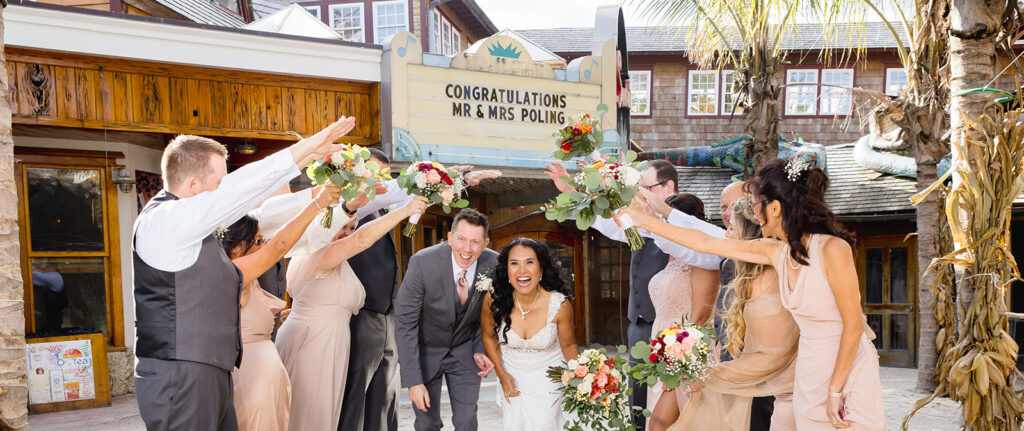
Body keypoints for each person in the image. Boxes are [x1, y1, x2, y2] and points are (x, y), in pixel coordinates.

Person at [619, 159, 885, 430]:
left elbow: (852, 326)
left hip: (846, 367)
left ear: (775, 208)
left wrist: (836, 390)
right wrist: (645, 221)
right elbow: (706, 243)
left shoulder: (833, 248)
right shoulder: (777, 252)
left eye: (757, 204)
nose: (754, 214)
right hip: (809, 368)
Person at [133, 117, 356, 431]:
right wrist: (305, 149)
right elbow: (243, 195)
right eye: (220, 182)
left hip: (211, 371)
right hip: (180, 376)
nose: (227, 192)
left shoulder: (196, 229)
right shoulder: (165, 220)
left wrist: (314, 173)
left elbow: (268, 221)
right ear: (194, 185)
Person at [545, 159, 723, 431]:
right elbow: (611, 225)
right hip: (644, 331)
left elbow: (702, 308)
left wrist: (679, 349)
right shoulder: (647, 225)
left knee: (678, 416)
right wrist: (574, 191)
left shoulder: (694, 240)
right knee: (640, 406)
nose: (639, 192)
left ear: (667, 186)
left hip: (681, 341)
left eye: (645, 186)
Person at [338, 151, 502, 431]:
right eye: (372, 172)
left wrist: (456, 183)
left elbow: (493, 314)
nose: (379, 180)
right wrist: (456, 177)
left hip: (387, 316)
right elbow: (399, 190)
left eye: (383, 174)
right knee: (359, 395)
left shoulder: (490, 262)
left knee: (384, 395)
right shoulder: (350, 205)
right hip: (363, 316)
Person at [274, 195, 429, 431]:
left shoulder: (336, 260)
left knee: (322, 415)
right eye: (341, 227)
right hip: (315, 345)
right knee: (309, 415)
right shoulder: (317, 253)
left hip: (326, 341)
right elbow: (361, 240)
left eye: (351, 228)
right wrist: (404, 211)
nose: (347, 233)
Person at [646, 181, 777, 430]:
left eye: (730, 212)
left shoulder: (763, 263)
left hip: (748, 359)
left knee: (752, 418)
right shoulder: (729, 260)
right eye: (722, 207)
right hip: (724, 355)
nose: (725, 228)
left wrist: (649, 219)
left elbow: (703, 244)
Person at [668, 197, 798, 431]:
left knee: (755, 419)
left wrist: (714, 374)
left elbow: (771, 353)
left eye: (731, 228)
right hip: (736, 361)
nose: (727, 235)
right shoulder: (738, 267)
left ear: (747, 233)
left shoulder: (769, 279)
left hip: (763, 376)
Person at [220, 186, 340, 431]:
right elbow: (279, 247)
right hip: (252, 376)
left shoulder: (242, 274)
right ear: (235, 247)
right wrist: (318, 203)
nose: (262, 246)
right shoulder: (237, 271)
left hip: (265, 375)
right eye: (257, 241)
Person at [395, 208, 498, 431]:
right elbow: (405, 323)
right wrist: (413, 381)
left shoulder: (494, 264)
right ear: (450, 238)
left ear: (485, 243)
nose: (467, 249)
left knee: (466, 420)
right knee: (426, 423)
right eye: (461, 239)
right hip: (426, 351)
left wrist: (481, 348)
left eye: (475, 242)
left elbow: (491, 314)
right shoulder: (422, 263)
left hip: (465, 350)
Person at [480, 238, 580, 430]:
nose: (522, 270)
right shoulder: (494, 299)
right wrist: (501, 375)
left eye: (530, 262)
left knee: (545, 425)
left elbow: (569, 346)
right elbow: (488, 335)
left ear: (541, 269)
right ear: (506, 270)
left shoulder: (560, 305)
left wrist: (585, 375)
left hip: (549, 377)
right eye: (514, 263)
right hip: (512, 375)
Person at [646, 194, 721, 431]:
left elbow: (701, 315)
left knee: (663, 421)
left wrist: (677, 362)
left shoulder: (701, 258)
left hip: (688, 350)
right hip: (661, 345)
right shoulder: (670, 255)